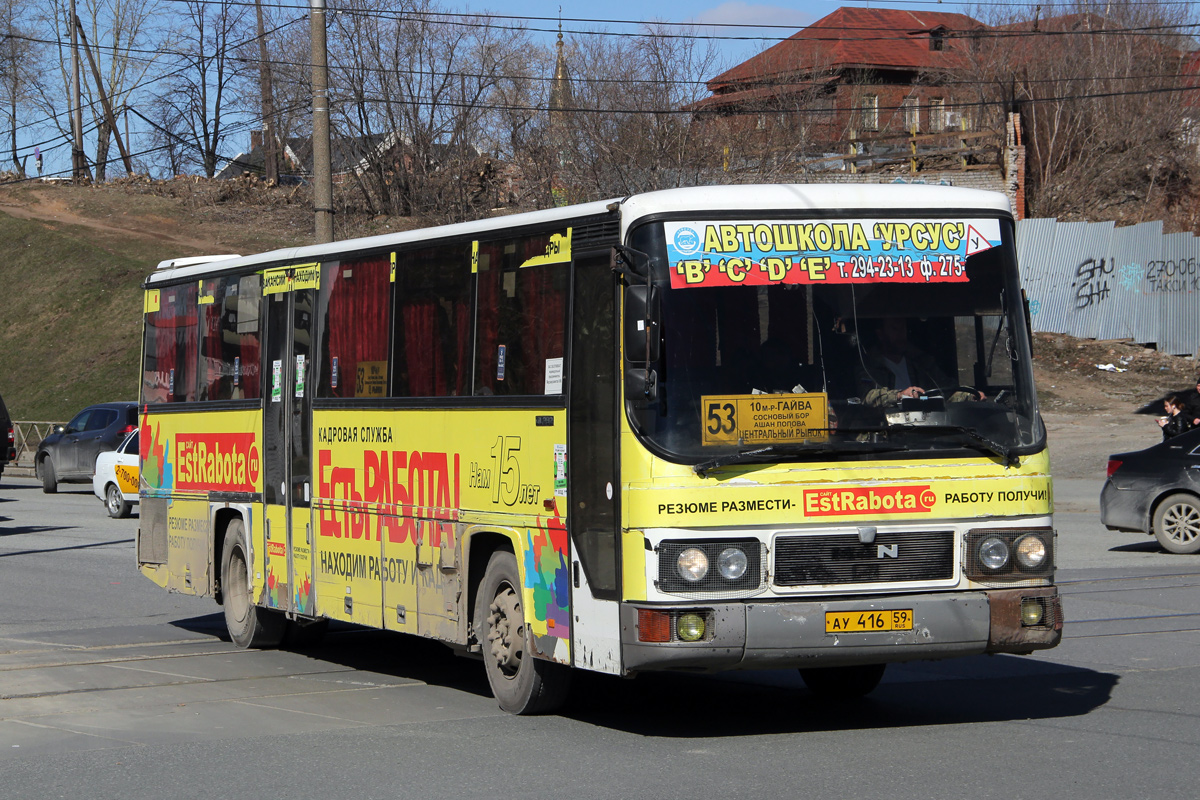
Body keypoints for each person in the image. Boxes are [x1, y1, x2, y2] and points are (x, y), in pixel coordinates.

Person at [855, 317, 958, 407]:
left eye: (903, 328)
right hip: (885, 427)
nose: (901, 334)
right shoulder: (868, 365)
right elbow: (867, 396)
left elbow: (947, 390)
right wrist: (900, 395)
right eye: (895, 329)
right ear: (880, 334)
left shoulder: (921, 364)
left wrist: (967, 396)